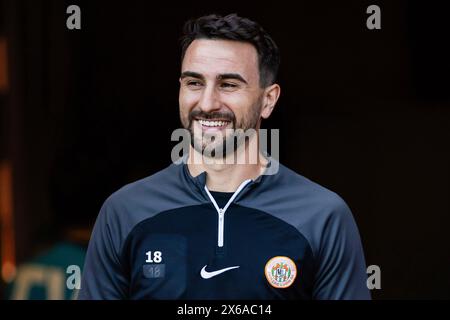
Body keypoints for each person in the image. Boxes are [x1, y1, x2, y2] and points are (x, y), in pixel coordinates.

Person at [78, 13, 371, 300]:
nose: (207, 103)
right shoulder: (125, 211)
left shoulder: (322, 216)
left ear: (268, 100)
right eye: (194, 83)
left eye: (228, 85)